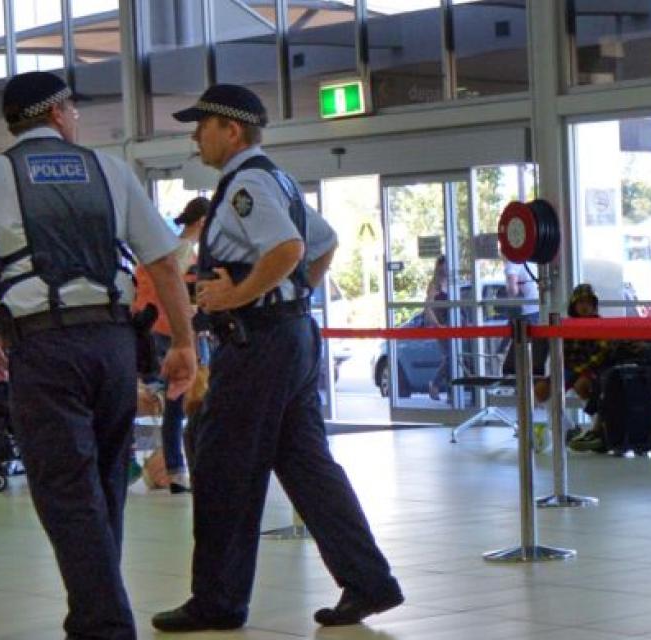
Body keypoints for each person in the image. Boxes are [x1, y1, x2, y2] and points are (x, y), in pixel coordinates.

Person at [0, 71, 196, 640]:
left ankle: (103, 623)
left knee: (64, 486)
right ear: (57, 113)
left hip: (43, 346)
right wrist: (183, 342)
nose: (76, 117)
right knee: (105, 483)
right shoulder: (108, 169)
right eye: (73, 109)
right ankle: (94, 614)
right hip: (112, 345)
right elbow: (164, 263)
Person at [152, 84, 401, 633]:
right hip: (288, 337)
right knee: (308, 466)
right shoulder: (276, 179)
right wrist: (291, 298)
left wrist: (238, 297)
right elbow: (324, 243)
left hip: (258, 344)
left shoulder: (247, 186)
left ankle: (217, 601)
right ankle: (368, 581)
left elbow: (288, 248)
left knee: (220, 464)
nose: (196, 135)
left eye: (204, 124)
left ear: (232, 130)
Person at [132, 196, 208, 493]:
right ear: (203, 222)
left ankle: (175, 469)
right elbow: (176, 297)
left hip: (152, 330)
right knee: (191, 400)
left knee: (173, 402)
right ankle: (180, 467)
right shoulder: (184, 252)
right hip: (177, 334)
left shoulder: (163, 248)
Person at [424, 255, 450, 401]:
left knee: (455, 358)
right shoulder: (434, 285)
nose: (446, 269)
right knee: (449, 357)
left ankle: (452, 392)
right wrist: (437, 325)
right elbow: (428, 307)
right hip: (441, 325)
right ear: (439, 267)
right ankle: (434, 384)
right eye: (443, 265)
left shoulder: (452, 283)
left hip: (454, 325)